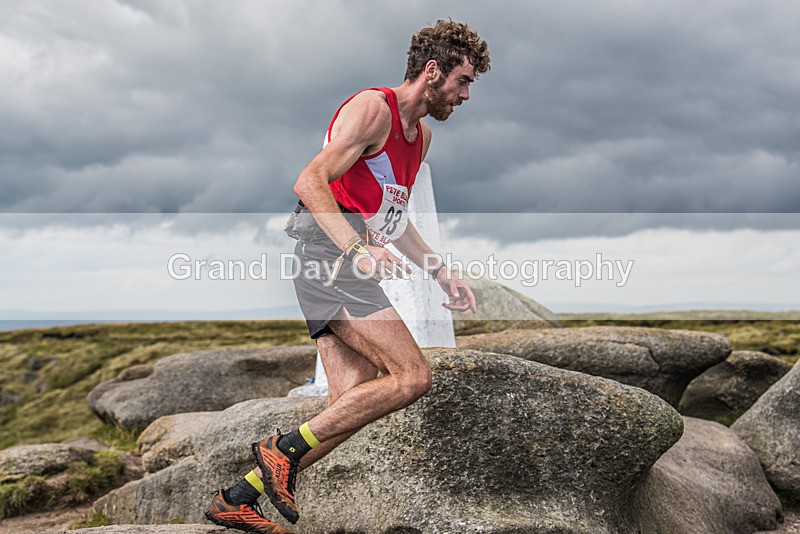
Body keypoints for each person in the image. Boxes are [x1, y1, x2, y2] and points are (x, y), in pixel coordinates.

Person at [206, 19, 490, 534]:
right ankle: (276, 450)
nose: (467, 94)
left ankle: (236, 496)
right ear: (433, 71)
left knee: (347, 405)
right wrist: (357, 249)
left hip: (341, 264)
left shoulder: (419, 138)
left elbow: (394, 222)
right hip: (328, 259)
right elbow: (309, 181)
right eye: (463, 81)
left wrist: (440, 272)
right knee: (412, 377)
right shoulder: (372, 108)